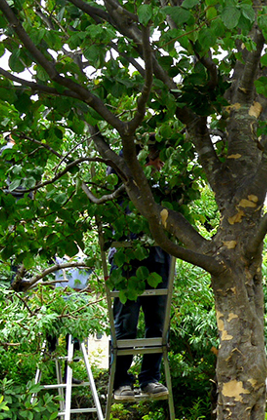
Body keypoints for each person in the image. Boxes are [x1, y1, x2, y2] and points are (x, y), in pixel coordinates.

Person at [109, 145, 178, 402]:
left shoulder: (165, 183)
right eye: (154, 160)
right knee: (126, 323)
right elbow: (112, 171)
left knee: (158, 323)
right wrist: (140, 161)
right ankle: (121, 382)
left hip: (159, 258)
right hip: (127, 258)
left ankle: (150, 378)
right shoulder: (124, 176)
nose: (159, 165)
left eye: (161, 160)